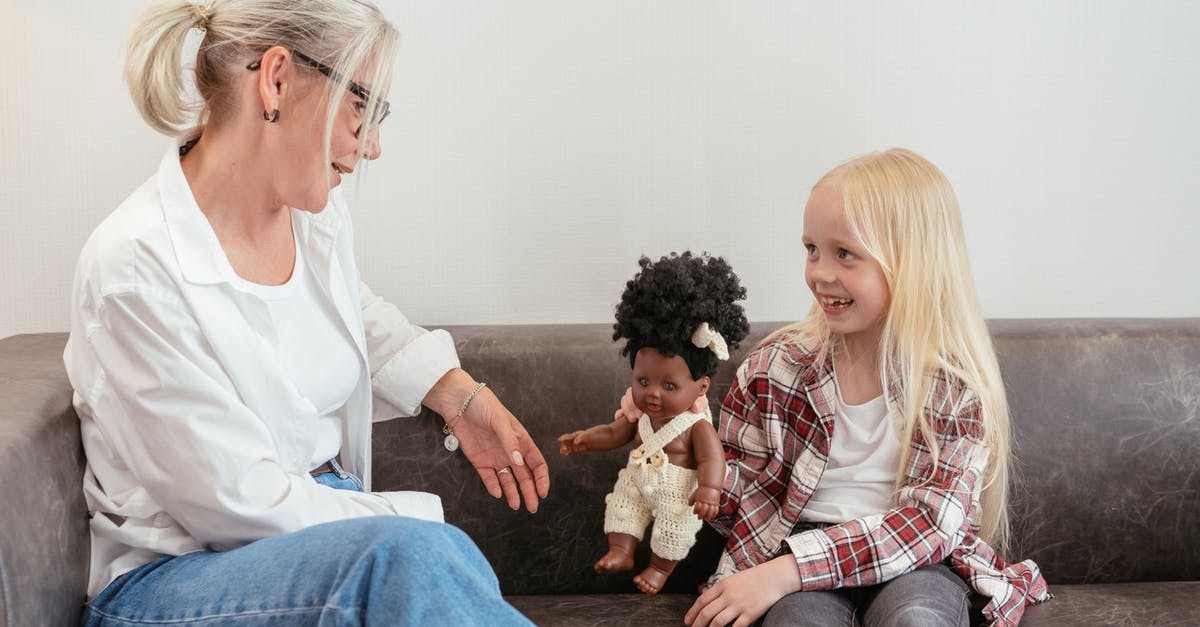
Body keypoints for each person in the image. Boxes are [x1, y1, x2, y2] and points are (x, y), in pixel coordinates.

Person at [63, 1, 548, 624]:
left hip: (318, 534)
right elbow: (237, 501)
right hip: (172, 579)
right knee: (413, 560)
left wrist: (455, 392)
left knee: (418, 559)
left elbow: (350, 312)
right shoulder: (133, 271)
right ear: (277, 80)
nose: (372, 146)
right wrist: (405, 523)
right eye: (361, 107)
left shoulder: (312, 216)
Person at [683, 149, 1052, 627]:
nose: (819, 272)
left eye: (844, 254)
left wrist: (788, 572)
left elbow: (931, 523)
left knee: (918, 618)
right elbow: (742, 501)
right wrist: (688, 452)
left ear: (911, 263)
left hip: (916, 560)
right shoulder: (774, 367)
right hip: (792, 549)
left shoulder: (954, 389)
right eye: (811, 249)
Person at [558, 252, 750, 595]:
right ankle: (622, 550)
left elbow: (713, 458)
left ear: (701, 386)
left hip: (679, 494)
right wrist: (586, 439)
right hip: (637, 480)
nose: (653, 394)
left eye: (669, 386)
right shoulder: (640, 415)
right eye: (643, 382)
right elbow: (615, 432)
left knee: (673, 533)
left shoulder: (695, 425)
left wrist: (709, 489)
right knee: (621, 507)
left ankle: (660, 569)